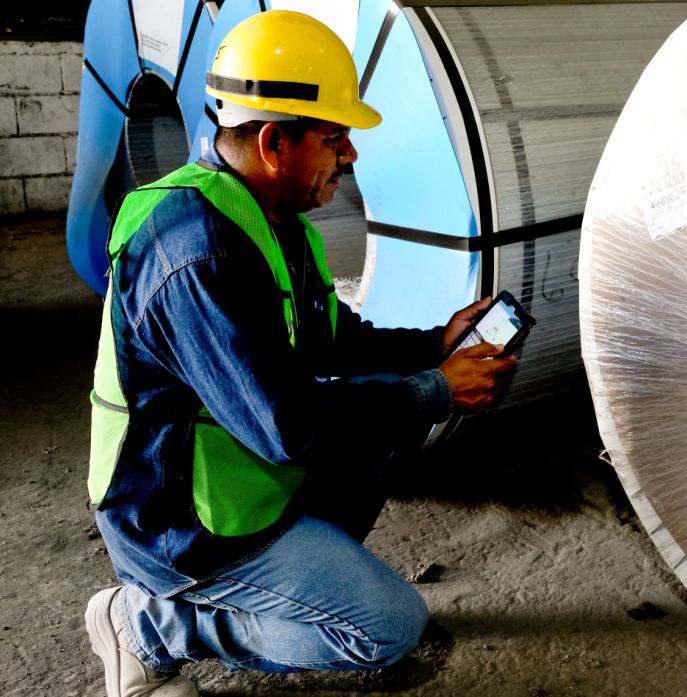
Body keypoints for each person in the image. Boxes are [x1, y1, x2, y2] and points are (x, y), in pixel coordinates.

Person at [81, 11, 515, 696]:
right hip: (177, 519)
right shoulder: (198, 251)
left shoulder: (272, 222)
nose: (351, 156)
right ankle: (154, 622)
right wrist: (437, 389)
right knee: (387, 626)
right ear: (275, 142)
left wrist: (436, 341)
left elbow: (332, 339)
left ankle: (280, 573)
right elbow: (287, 426)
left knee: (384, 425)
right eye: (335, 138)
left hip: (240, 480)